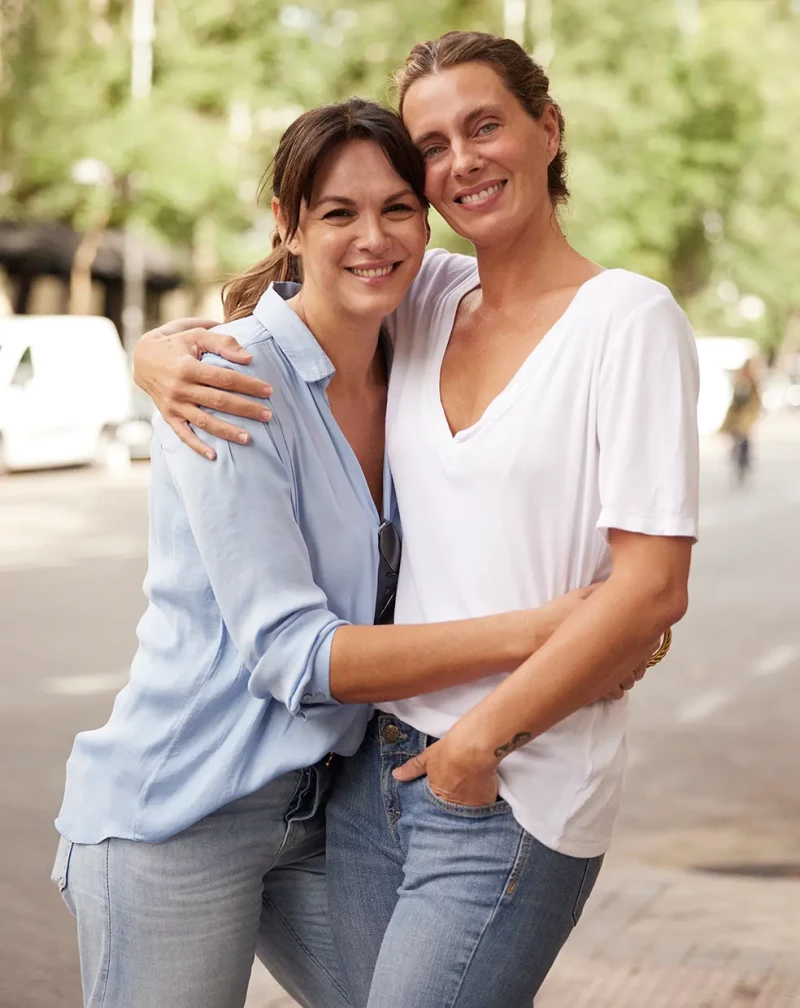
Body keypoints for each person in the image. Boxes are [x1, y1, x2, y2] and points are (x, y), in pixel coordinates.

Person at [133, 30, 699, 1008]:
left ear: (547, 129)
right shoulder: (426, 293)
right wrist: (150, 355)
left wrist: (480, 742)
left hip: (515, 781)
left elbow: (651, 586)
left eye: (485, 126)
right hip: (377, 775)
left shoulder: (626, 320)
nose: (461, 161)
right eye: (431, 144)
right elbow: (276, 304)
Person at [720, 358, 762, 482]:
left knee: (744, 439)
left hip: (746, 416)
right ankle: (737, 460)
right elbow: (734, 402)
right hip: (736, 415)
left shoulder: (752, 383)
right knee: (735, 439)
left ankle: (744, 461)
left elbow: (756, 401)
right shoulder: (738, 382)